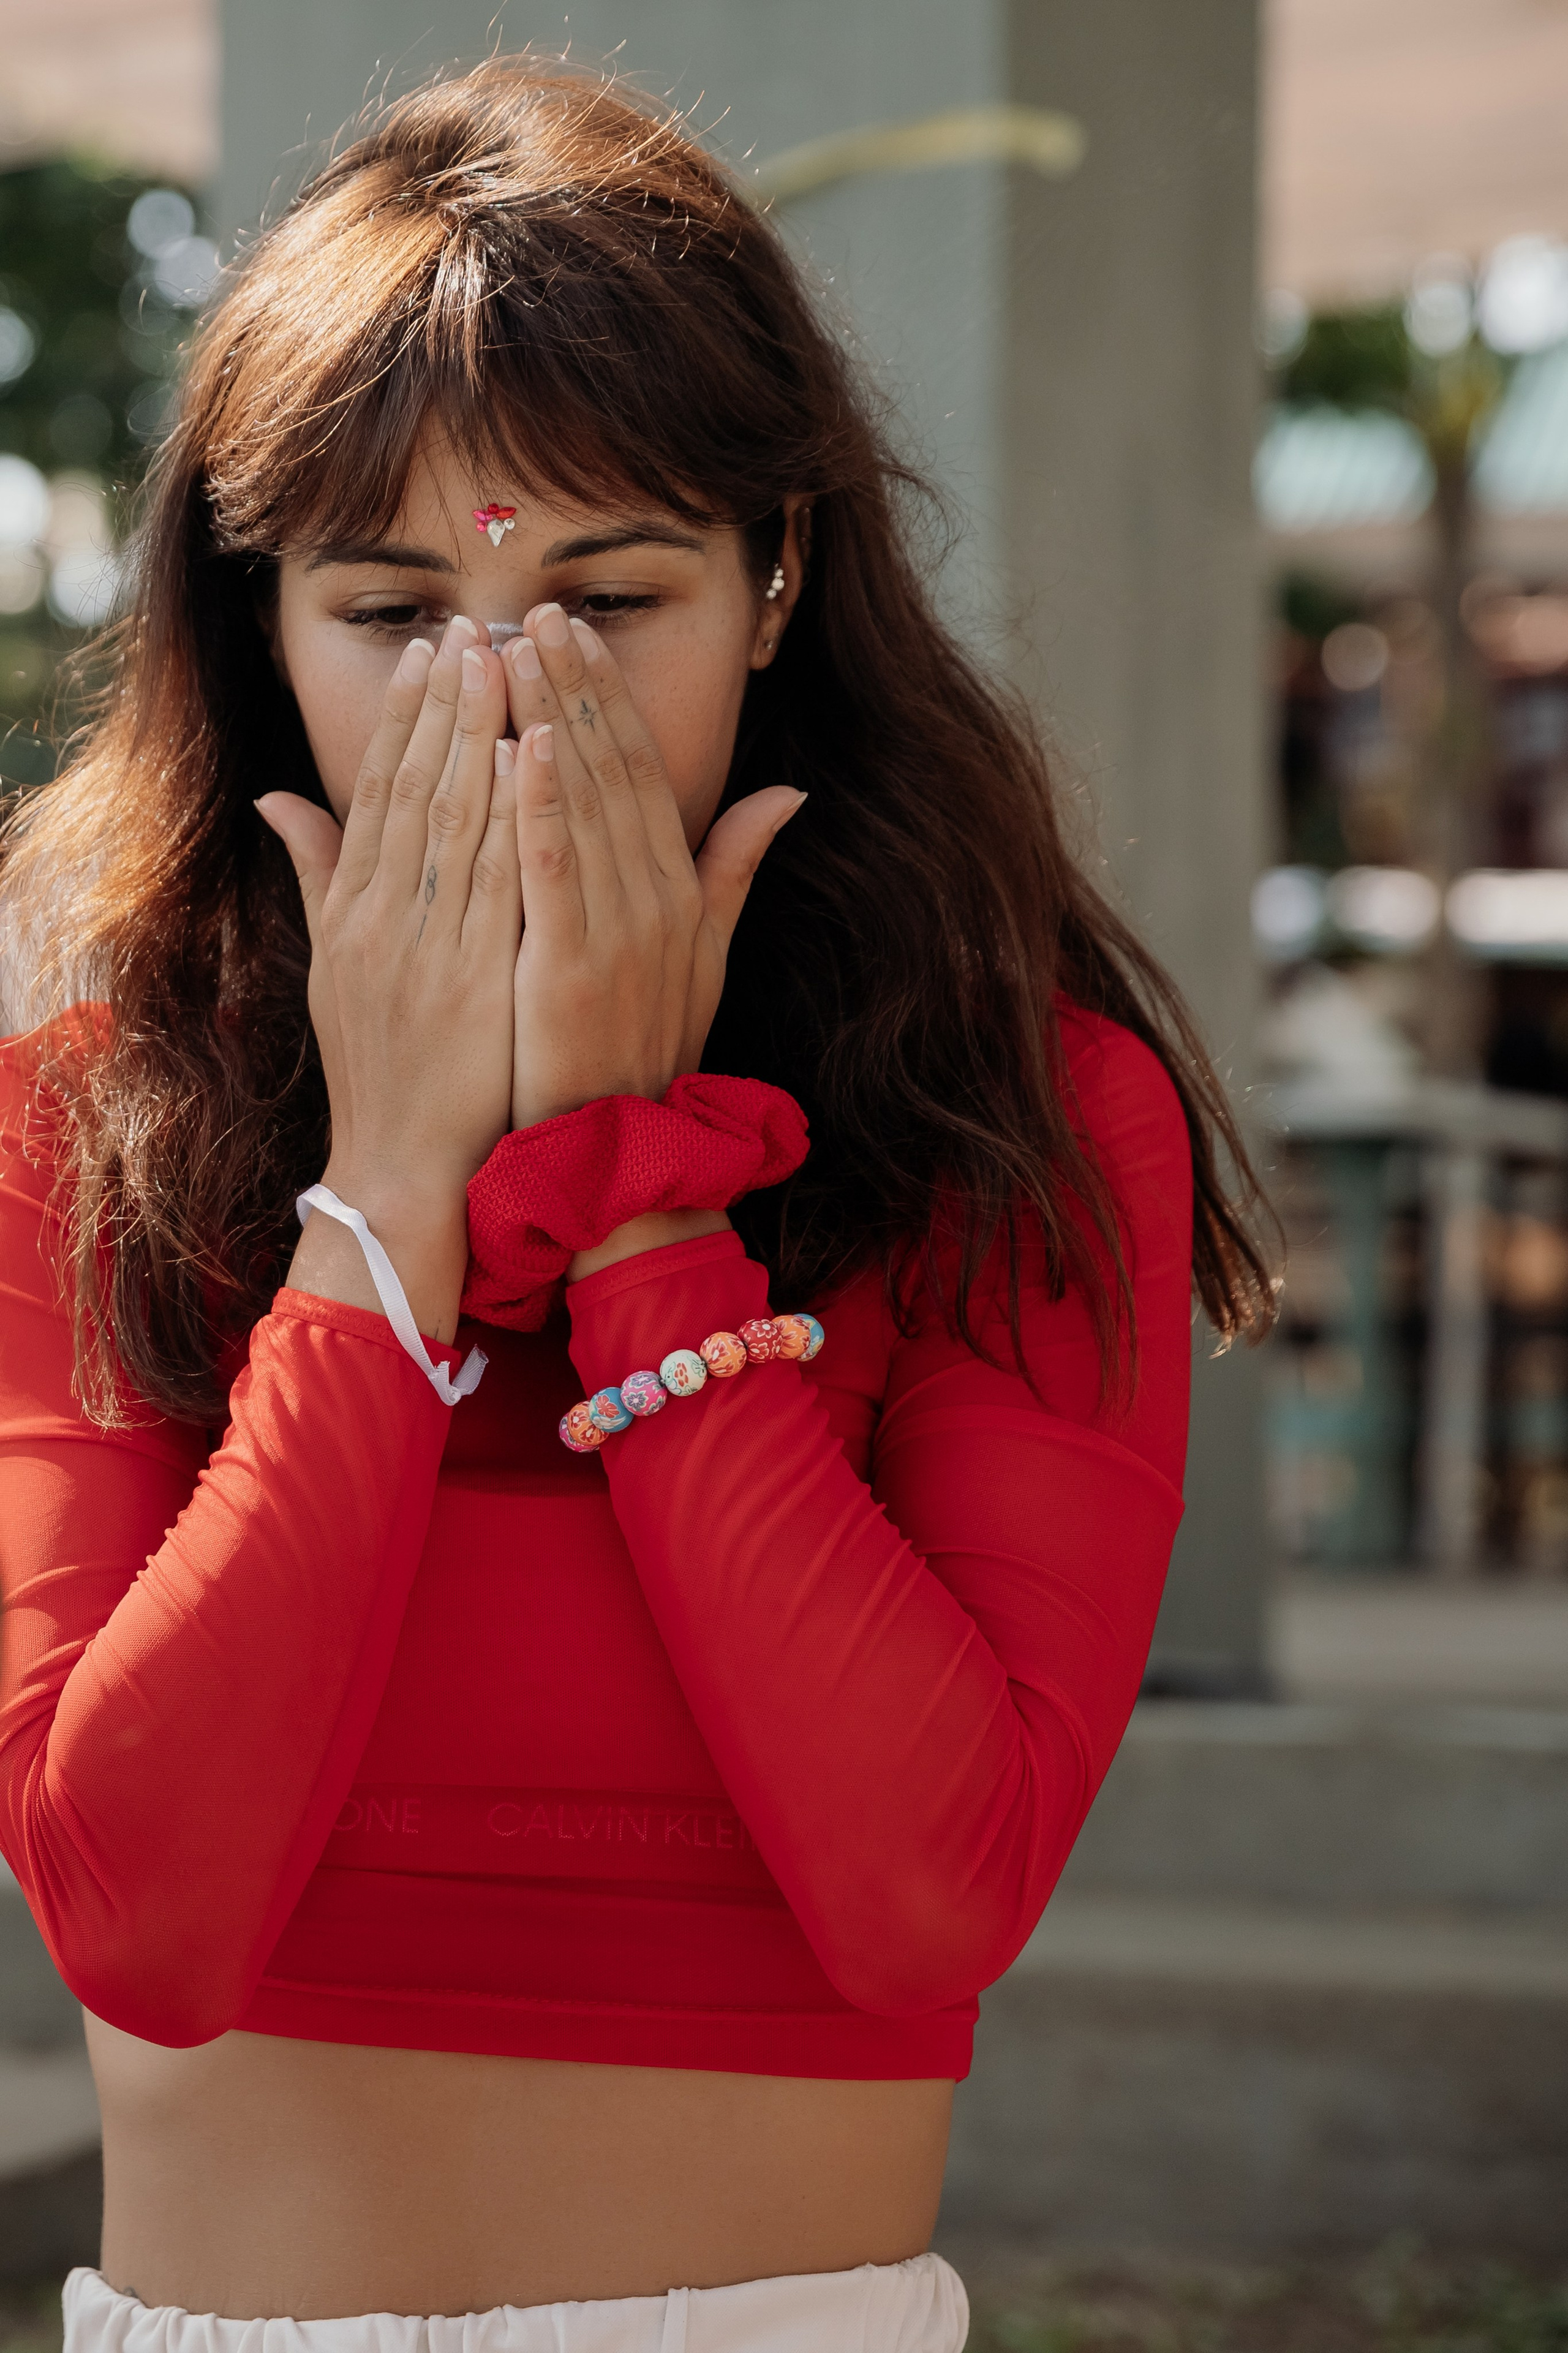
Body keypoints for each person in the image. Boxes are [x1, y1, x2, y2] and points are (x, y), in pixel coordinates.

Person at [0, 56, 1272, 2353]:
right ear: (257, 629)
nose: (506, 702)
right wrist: (383, 1194)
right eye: (394, 611)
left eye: (609, 590)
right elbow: (142, 1917)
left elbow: (926, 1894)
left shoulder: (1026, 1111)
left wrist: (640, 1209)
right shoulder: (89, 1128)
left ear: (777, 576)